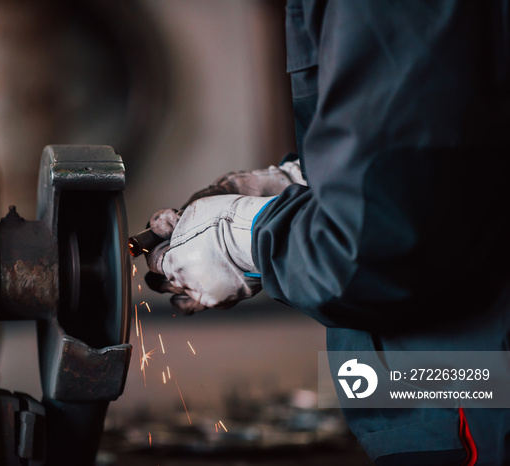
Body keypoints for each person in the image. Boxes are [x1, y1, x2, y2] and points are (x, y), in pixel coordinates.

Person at [144, 1, 510, 465]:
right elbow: (442, 144)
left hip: (471, 389)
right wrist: (306, 183)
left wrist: (248, 236)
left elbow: (375, 243)